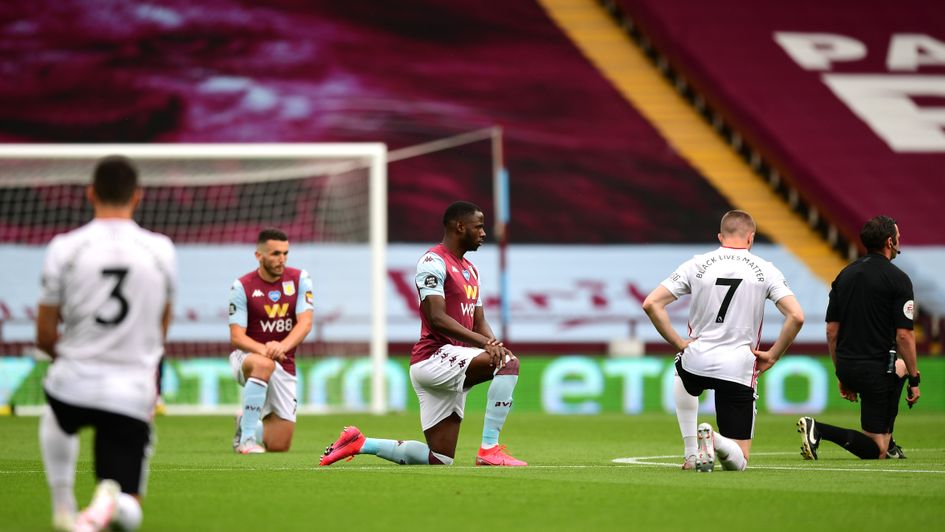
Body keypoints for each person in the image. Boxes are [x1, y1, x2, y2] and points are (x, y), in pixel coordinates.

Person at [319, 200, 526, 467]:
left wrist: (493, 344)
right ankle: (489, 449)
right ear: (460, 227)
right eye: (479, 227)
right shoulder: (433, 261)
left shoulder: (471, 271)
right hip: (434, 357)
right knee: (508, 364)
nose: (484, 233)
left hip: (453, 360)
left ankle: (360, 442)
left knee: (439, 458)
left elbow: (479, 320)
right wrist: (487, 345)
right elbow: (436, 318)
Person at [36, 155, 176, 531]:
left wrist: (75, 352)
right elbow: (160, 330)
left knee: (55, 414)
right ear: (138, 196)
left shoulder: (64, 247)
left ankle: (64, 503)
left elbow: (45, 334)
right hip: (131, 391)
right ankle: (110, 501)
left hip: (73, 383)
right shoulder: (161, 250)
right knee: (130, 511)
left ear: (91, 193)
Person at [643, 210, 804, 472]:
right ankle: (715, 439)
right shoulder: (766, 270)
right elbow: (796, 316)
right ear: (751, 238)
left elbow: (651, 303)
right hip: (738, 367)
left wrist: (679, 343)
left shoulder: (696, 264)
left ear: (720, 236)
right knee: (738, 462)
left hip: (697, 359)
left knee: (681, 370)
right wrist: (773, 355)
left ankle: (691, 453)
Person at [797, 215, 920, 460]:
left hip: (848, 365)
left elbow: (832, 331)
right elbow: (904, 335)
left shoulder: (845, 275)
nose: (899, 240)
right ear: (889, 242)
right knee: (877, 450)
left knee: (899, 368)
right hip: (876, 370)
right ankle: (819, 429)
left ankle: (889, 437)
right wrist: (915, 380)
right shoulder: (899, 279)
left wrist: (840, 371)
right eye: (898, 237)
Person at [229, 228, 313, 454]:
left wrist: (282, 347)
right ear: (259, 256)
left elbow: (305, 323)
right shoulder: (242, 286)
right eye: (275, 254)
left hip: (284, 361)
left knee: (278, 445)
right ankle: (245, 440)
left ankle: (246, 423)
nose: (282, 259)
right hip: (247, 357)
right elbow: (237, 337)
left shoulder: (299, 279)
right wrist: (266, 350)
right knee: (263, 364)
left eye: (285, 253)